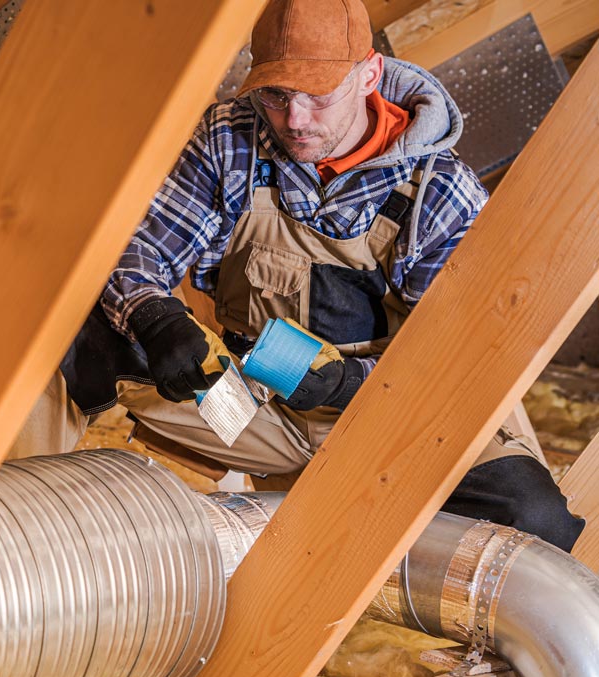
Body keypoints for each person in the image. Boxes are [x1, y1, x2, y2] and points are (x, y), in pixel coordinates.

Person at [40, 0, 585, 549]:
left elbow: (451, 360)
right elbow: (141, 252)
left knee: (535, 524)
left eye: (319, 96)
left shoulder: (438, 190)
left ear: (369, 74)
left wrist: (349, 383)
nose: (294, 120)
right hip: (249, 408)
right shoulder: (231, 139)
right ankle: (2, 542)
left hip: (390, 420)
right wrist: (157, 319)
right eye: (276, 95)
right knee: (66, 328)